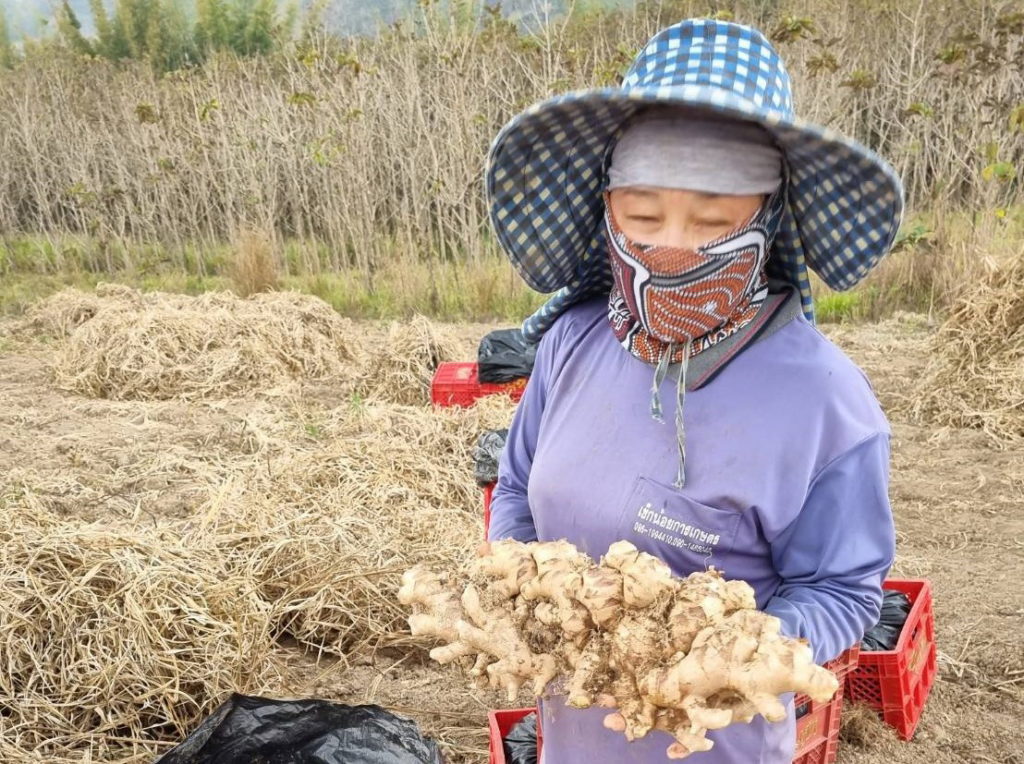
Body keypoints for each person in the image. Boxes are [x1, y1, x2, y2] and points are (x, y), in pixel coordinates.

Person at [483, 18, 903, 764]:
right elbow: (515, 485)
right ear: (606, 211)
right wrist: (523, 591)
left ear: (767, 222)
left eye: (712, 223)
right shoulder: (572, 344)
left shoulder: (826, 404)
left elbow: (843, 589)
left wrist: (732, 658)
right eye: (642, 218)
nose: (672, 249)